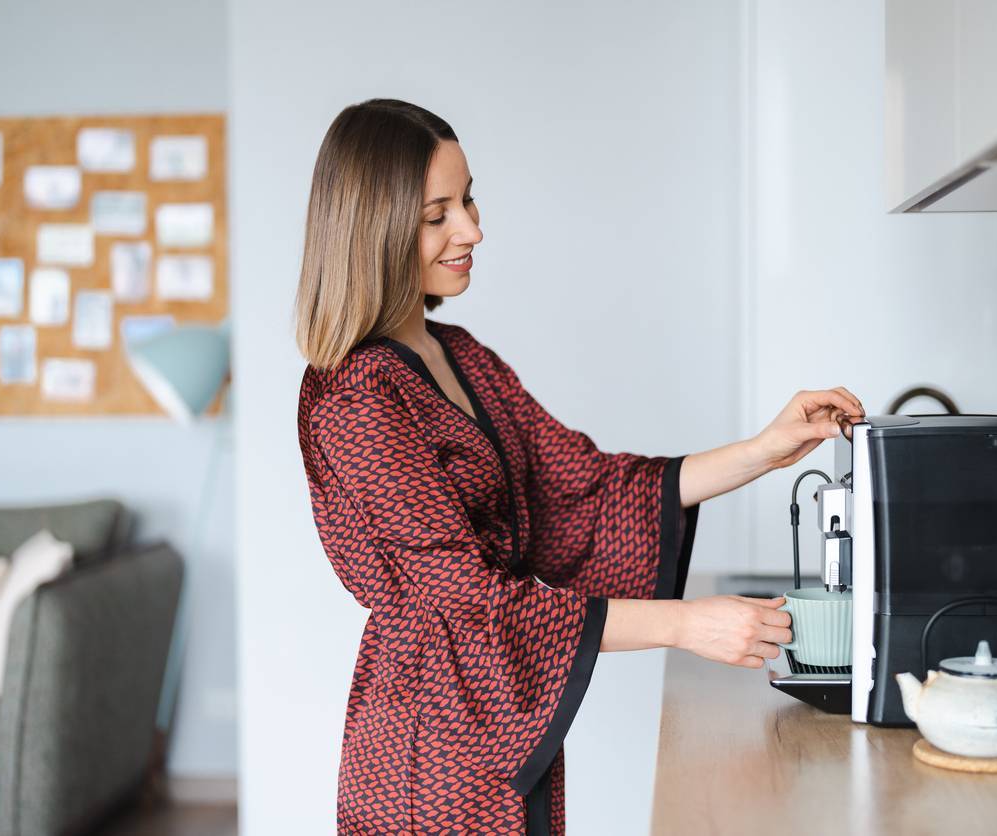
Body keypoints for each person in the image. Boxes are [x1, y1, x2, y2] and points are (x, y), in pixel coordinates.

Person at [293, 98, 865, 836]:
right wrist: (686, 625)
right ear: (372, 230)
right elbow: (470, 602)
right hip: (426, 752)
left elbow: (584, 491)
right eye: (438, 215)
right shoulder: (356, 397)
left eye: (468, 199)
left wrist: (764, 449)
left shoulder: (461, 355)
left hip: (500, 732)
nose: (472, 228)